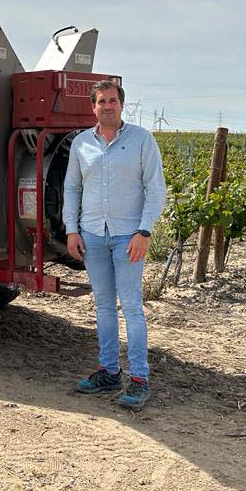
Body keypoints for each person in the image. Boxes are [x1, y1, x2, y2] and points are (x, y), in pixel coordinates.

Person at [63, 80, 166, 410]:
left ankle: (139, 379)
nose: (107, 106)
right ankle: (109, 371)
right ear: (93, 107)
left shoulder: (141, 140)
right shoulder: (81, 144)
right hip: (92, 235)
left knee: (132, 307)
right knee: (104, 306)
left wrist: (144, 232)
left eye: (112, 100)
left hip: (128, 238)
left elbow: (155, 189)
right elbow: (72, 190)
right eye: (101, 101)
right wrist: (71, 230)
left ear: (122, 105)